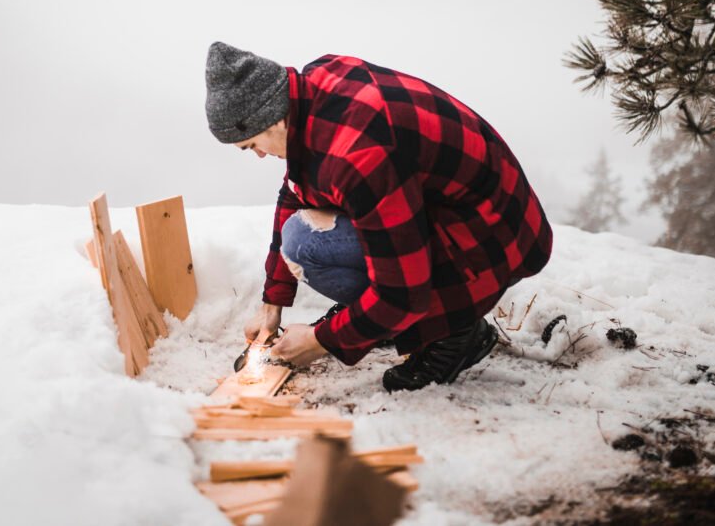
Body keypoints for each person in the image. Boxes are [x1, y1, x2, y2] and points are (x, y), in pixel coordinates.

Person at [204, 41, 553, 392]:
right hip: (461, 213)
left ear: (272, 117)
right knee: (300, 236)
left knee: (316, 251)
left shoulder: (359, 154)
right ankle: (381, 322)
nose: (260, 156)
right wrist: (273, 302)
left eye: (251, 145)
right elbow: (295, 192)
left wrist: (322, 341)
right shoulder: (314, 88)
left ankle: (456, 333)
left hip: (494, 240)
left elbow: (403, 292)